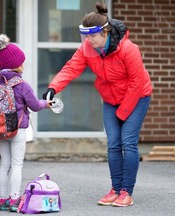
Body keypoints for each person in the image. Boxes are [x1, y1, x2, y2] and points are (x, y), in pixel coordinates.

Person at [42, 3, 152, 207]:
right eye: (85, 36)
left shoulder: (128, 50)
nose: (88, 40)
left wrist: (123, 113)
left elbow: (137, 83)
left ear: (105, 32)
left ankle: (126, 192)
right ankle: (115, 189)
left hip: (136, 98)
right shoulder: (88, 49)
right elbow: (71, 68)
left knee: (127, 143)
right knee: (112, 145)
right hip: (110, 99)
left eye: (92, 36)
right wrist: (53, 88)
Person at [0, 34, 51, 212]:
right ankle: (14, 199)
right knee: (17, 165)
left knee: (5, 165)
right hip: (18, 129)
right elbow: (34, 105)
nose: (23, 65)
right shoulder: (22, 84)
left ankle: (3, 199)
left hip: (2, 129)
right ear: (16, 64)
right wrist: (46, 104)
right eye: (21, 62)